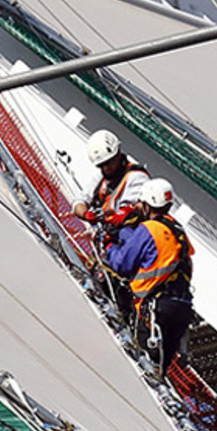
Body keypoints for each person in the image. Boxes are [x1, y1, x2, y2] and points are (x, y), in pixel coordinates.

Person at [105, 178, 196, 377]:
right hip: (181, 308)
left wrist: (109, 246)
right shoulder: (177, 231)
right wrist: (125, 233)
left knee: (145, 363)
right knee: (161, 367)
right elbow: (153, 251)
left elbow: (122, 264)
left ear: (147, 204)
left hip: (157, 308)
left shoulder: (149, 229)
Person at [74, 130, 148, 317]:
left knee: (121, 285)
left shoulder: (136, 177)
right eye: (102, 165)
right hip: (107, 242)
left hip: (128, 239)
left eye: (109, 163)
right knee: (101, 281)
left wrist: (121, 213)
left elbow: (139, 207)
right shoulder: (101, 179)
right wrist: (87, 213)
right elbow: (79, 201)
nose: (106, 168)